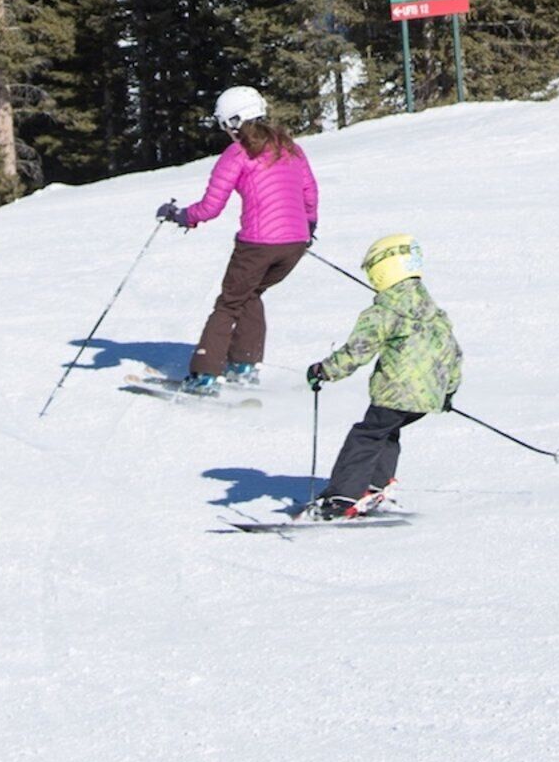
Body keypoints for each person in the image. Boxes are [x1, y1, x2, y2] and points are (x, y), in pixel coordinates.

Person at [156, 87, 318, 394]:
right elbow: (309, 192)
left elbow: (211, 207)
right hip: (294, 245)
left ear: (234, 121)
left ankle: (205, 376)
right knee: (250, 294)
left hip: (257, 244)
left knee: (229, 303)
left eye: (225, 125)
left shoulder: (238, 153)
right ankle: (244, 366)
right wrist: (308, 226)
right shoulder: (291, 148)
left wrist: (181, 216)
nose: (226, 132)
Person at [304, 233, 462, 519]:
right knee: (387, 432)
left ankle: (341, 499)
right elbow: (453, 352)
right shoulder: (434, 313)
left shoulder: (383, 312)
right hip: (428, 396)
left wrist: (324, 370)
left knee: (366, 436)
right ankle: (376, 488)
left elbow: (358, 350)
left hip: (395, 392)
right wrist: (447, 391)